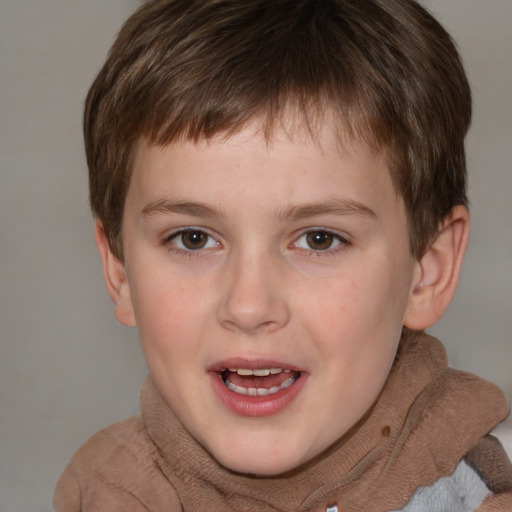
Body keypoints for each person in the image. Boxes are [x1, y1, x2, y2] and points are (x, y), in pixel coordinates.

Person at [53, 0, 512, 510]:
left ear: (426, 270)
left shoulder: (483, 485)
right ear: (120, 271)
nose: (249, 307)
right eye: (193, 239)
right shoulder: (105, 494)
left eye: (319, 239)